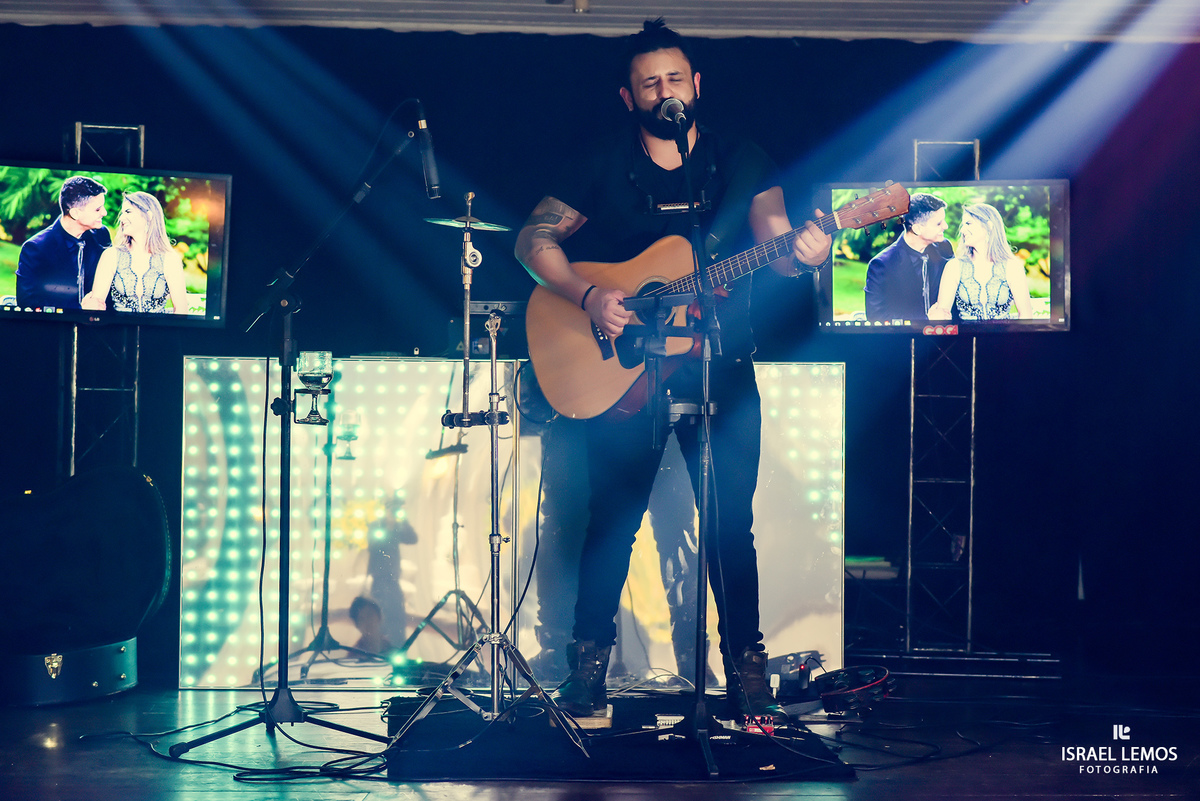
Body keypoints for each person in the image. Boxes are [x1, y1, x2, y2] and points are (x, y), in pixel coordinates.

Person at [513, 19, 831, 718]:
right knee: (610, 521)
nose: (666, 91)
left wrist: (803, 252)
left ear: (696, 86)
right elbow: (532, 240)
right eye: (650, 82)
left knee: (727, 526)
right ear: (630, 97)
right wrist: (590, 295)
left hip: (721, 367)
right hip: (629, 373)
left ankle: (746, 677)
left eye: (675, 78)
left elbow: (776, 246)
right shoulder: (600, 162)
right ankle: (587, 670)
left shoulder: (742, 161)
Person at [81, 191, 189, 314]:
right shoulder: (111, 255)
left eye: (128, 212)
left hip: (158, 331)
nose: (121, 218)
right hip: (121, 331)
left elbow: (181, 311)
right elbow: (97, 306)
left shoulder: (170, 259)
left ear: (148, 216)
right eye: (122, 213)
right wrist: (89, 307)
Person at [15, 176, 112, 311]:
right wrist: (78, 308)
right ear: (75, 213)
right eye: (97, 209)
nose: (105, 213)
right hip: (55, 328)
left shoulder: (101, 235)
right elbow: (26, 301)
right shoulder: (36, 248)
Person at [928, 203, 1033, 321]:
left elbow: (1026, 316)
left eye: (968, 223)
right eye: (963, 225)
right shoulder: (954, 267)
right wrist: (935, 318)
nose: (962, 230)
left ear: (988, 226)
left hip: (1005, 338)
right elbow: (943, 316)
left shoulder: (1012, 267)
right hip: (966, 338)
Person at [862, 192, 954, 323]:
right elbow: (876, 318)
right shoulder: (882, 264)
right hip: (903, 340)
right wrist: (926, 320)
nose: (946, 226)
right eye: (939, 223)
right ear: (917, 229)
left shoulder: (944, 248)